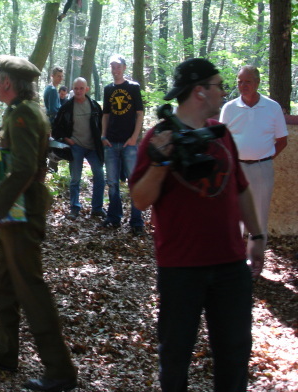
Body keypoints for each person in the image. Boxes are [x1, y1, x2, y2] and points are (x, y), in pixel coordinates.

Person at [129, 58, 265, 392]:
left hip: (230, 264)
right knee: (175, 355)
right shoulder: (159, 137)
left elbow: (241, 188)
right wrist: (161, 161)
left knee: (234, 353)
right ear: (200, 91)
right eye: (219, 85)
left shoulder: (221, 133)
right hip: (181, 267)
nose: (224, 91)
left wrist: (258, 236)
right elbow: (140, 200)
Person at [0, 55, 77, 392]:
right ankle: (5, 352)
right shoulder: (20, 111)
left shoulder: (24, 114)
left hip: (22, 211)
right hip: (15, 211)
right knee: (3, 283)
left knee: (30, 288)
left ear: (7, 83)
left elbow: (26, 168)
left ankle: (60, 371)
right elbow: (18, 157)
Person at [220, 65, 288, 247]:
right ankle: (236, 257)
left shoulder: (272, 107)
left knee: (259, 216)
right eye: (240, 82)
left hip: (262, 169)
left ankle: (256, 259)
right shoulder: (229, 108)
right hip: (236, 169)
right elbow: (222, 140)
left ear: (257, 83)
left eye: (248, 82)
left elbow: (282, 140)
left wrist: (265, 158)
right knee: (235, 214)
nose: (243, 86)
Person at [101, 55, 145, 235]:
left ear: (124, 68)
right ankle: (114, 217)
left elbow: (140, 114)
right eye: (113, 66)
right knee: (112, 183)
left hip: (129, 143)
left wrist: (134, 137)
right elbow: (106, 114)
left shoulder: (133, 87)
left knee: (134, 181)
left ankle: (137, 221)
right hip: (111, 142)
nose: (115, 70)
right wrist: (103, 135)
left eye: (118, 66)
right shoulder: (108, 89)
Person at [52, 77, 105, 220]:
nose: (79, 91)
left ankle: (97, 208)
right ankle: (74, 208)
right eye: (76, 88)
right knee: (75, 178)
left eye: (81, 88)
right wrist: (66, 138)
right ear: (73, 89)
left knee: (100, 176)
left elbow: (102, 124)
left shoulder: (94, 106)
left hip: (93, 147)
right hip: (76, 147)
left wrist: (102, 140)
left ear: (87, 89)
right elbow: (56, 127)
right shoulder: (67, 107)